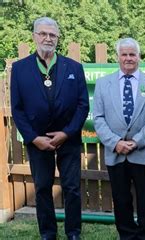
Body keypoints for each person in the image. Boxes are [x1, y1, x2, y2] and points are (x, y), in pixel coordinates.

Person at [10, 17, 88, 240]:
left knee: (72, 188)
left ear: (58, 38)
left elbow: (83, 105)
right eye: (43, 33)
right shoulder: (20, 68)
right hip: (38, 141)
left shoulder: (74, 67)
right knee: (42, 188)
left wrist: (66, 133)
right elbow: (17, 109)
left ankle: (73, 232)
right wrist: (34, 138)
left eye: (52, 35)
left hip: (68, 139)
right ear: (34, 36)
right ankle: (48, 233)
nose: (47, 38)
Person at [93, 38, 145, 240]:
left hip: (143, 151)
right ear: (118, 57)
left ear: (139, 56)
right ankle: (126, 235)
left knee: (144, 198)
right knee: (121, 198)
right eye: (124, 54)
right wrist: (115, 142)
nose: (128, 58)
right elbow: (98, 118)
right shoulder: (102, 84)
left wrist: (137, 141)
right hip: (115, 152)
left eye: (132, 54)